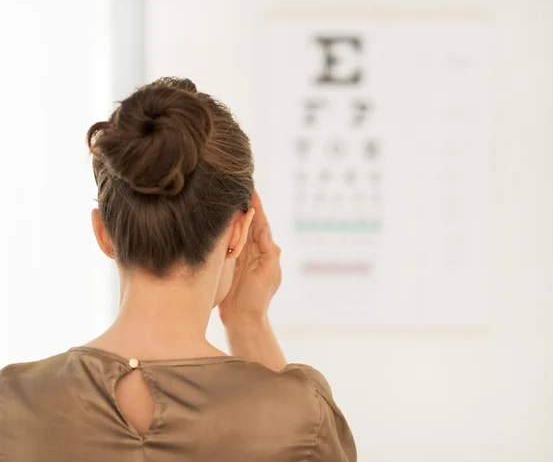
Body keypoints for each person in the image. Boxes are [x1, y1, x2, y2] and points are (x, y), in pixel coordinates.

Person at [0, 77, 356, 461]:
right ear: (237, 231)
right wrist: (248, 322)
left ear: (103, 233)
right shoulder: (303, 417)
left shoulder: (11, 402)